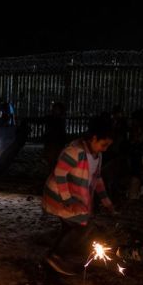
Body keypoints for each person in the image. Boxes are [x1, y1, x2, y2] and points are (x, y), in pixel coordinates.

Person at [42, 116, 116, 275]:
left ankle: (52, 260)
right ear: (94, 138)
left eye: (108, 145)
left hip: (73, 198)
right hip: (58, 196)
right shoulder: (75, 151)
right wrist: (68, 200)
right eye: (104, 144)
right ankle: (55, 256)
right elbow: (59, 173)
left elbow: (97, 178)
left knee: (70, 227)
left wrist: (107, 202)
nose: (105, 149)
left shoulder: (97, 155)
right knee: (83, 226)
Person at [42, 102, 67, 176]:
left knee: (56, 161)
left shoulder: (60, 120)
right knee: (50, 161)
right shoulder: (50, 119)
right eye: (54, 109)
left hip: (57, 143)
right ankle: (50, 175)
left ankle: (53, 175)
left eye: (57, 109)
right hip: (50, 143)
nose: (55, 110)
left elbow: (62, 133)